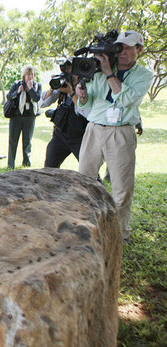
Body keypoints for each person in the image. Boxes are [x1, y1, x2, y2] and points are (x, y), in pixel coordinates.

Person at [76, 30, 153, 242]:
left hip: (121, 132)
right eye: (119, 47)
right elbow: (87, 105)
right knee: (84, 179)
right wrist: (81, 97)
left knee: (121, 187)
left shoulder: (144, 75)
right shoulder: (99, 71)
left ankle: (119, 234)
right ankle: (86, 225)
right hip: (94, 129)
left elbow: (126, 99)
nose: (122, 52)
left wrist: (109, 72)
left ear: (139, 49)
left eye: (128, 47)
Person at [40, 60, 88, 168]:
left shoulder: (86, 86)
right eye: (67, 70)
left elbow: (85, 111)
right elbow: (43, 103)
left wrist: (72, 92)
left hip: (80, 137)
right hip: (60, 134)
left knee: (88, 169)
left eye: (72, 71)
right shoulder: (64, 83)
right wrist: (52, 89)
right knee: (49, 168)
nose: (70, 74)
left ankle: (97, 184)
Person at [6, 65, 42, 169]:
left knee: (27, 141)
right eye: (27, 75)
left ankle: (26, 163)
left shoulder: (37, 85)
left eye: (31, 75)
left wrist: (30, 89)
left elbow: (36, 98)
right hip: (16, 116)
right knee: (13, 140)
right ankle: (11, 164)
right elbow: (9, 96)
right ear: (24, 76)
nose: (29, 77)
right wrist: (17, 92)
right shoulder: (17, 84)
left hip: (30, 116)